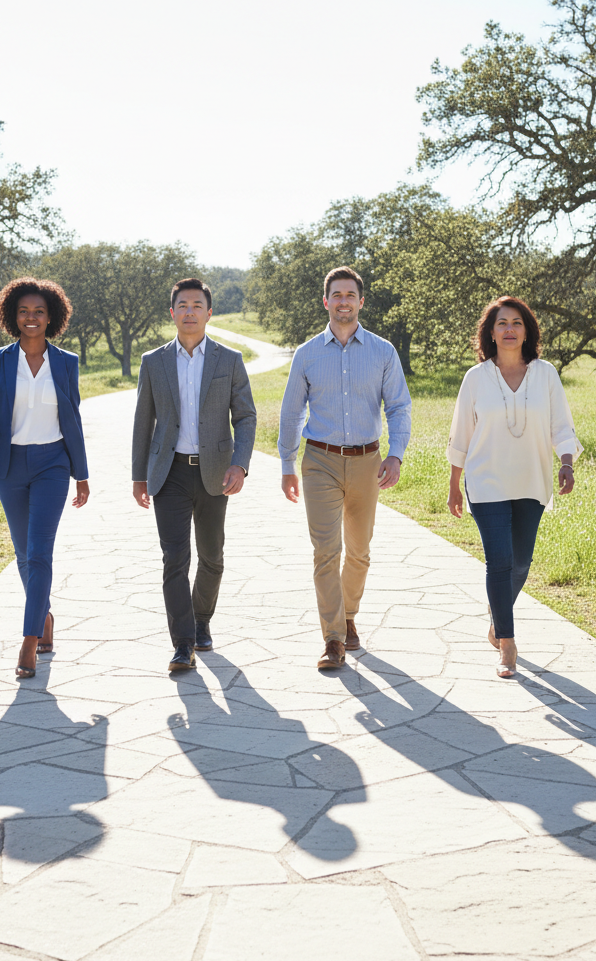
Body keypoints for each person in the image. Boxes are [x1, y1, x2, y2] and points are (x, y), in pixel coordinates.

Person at [278, 266, 412, 670]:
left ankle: (349, 615)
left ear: (360, 301)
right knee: (326, 550)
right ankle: (333, 638)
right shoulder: (307, 354)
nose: (343, 301)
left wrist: (396, 453)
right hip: (319, 460)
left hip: (368, 462)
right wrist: (287, 463)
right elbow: (290, 412)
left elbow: (400, 406)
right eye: (336, 295)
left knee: (359, 551)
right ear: (326, 301)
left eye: (349, 294)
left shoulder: (383, 351)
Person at [446, 296, 581, 678]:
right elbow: (461, 433)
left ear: (527, 330)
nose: (509, 329)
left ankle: (496, 613)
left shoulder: (546, 374)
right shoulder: (475, 378)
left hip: (531, 479)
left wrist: (566, 463)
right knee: (500, 562)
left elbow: (562, 425)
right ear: (491, 332)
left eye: (516, 322)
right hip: (486, 480)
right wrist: (455, 484)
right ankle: (507, 643)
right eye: (501, 323)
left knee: (521, 561)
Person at [0, 278, 90, 680]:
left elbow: (72, 420)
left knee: (39, 554)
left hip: (53, 465)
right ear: (11, 316)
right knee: (22, 555)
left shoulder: (67, 363)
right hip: (10, 467)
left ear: (51, 316)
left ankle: (29, 641)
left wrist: (81, 474)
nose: (31, 317)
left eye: (38, 311)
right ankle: (46, 616)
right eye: (23, 311)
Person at [132, 278, 256, 672]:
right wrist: (139, 476)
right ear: (173, 312)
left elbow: (247, 417)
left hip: (215, 474)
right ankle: (182, 643)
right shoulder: (154, 362)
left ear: (209, 312)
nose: (189, 311)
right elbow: (142, 421)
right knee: (174, 560)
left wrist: (240, 464)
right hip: (168, 474)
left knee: (212, 557)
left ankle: (202, 619)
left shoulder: (229, 360)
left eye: (196, 305)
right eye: (182, 305)